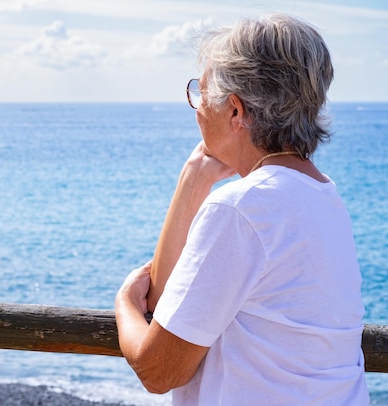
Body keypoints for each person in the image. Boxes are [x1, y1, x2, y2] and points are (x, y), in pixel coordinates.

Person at [115, 13, 369, 405]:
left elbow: (159, 369)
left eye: (201, 93)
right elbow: (172, 306)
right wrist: (194, 179)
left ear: (235, 111)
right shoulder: (323, 196)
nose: (197, 108)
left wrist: (124, 304)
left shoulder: (242, 209)